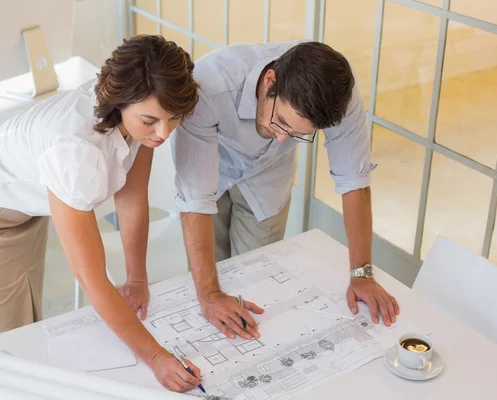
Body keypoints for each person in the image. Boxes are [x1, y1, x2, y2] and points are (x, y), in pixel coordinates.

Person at [0, 35, 202, 392]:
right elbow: (91, 279)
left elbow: (131, 198)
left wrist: (136, 279)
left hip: (22, 206)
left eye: (174, 118)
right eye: (151, 121)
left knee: (24, 327)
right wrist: (156, 357)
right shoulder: (75, 150)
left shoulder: (141, 113)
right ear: (121, 103)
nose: (163, 133)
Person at [168, 40, 400, 340]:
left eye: (296, 134)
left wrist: (362, 275)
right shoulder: (209, 86)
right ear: (270, 82)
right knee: (209, 285)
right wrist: (210, 295)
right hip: (213, 163)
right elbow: (195, 199)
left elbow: (353, 181)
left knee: (256, 280)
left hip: (269, 177)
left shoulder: (340, 95)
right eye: (281, 122)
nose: (282, 138)